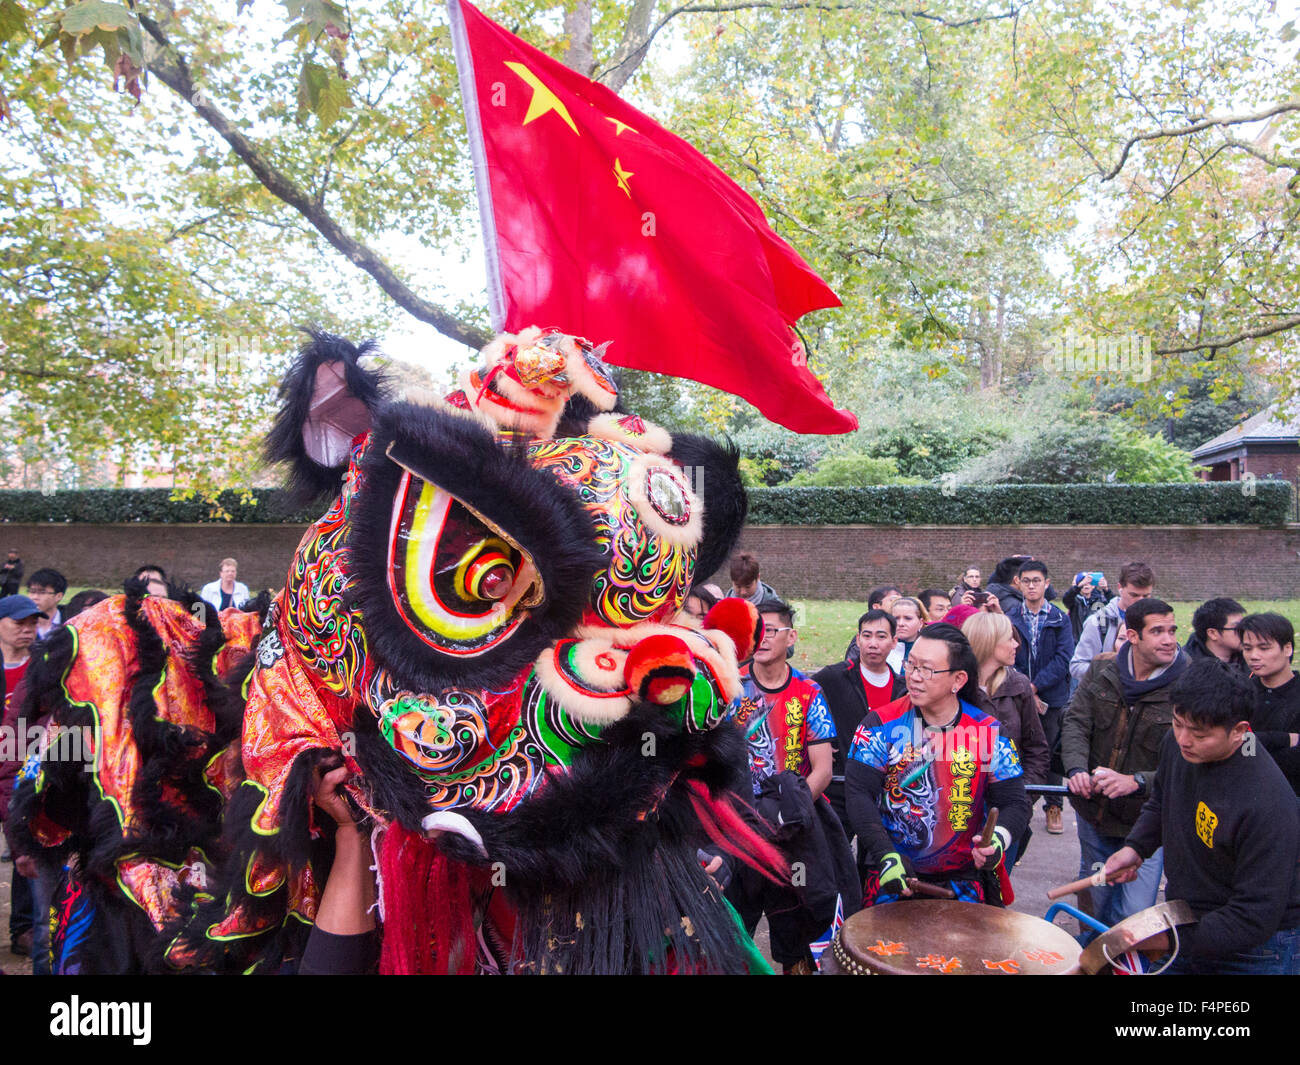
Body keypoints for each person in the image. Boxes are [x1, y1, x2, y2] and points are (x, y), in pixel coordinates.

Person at [1103, 660, 1300, 974]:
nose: (1183, 739)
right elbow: (1161, 801)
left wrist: (1162, 940)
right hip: (1189, 921)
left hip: (1258, 950)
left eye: (1199, 734)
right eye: (1178, 722)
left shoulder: (1268, 804)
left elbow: (1254, 916)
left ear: (1240, 732)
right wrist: (1136, 848)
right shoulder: (1179, 746)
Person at [845, 623, 1029, 906]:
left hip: (963, 882)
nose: (914, 677)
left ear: (958, 680)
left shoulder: (988, 732)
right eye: (911, 666)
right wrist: (884, 854)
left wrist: (998, 840)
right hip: (892, 873)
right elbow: (858, 795)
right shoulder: (880, 725)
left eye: (927, 670)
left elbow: (1015, 802)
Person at [725, 597, 857, 972]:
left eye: (772, 630)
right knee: (731, 927)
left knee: (796, 936)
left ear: (792, 636)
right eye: (756, 632)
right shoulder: (730, 688)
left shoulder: (808, 691)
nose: (763, 638)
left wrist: (788, 812)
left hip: (792, 829)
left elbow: (823, 769)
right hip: (738, 826)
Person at [1061, 597, 1187, 938]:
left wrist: (1138, 781)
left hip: (1148, 824)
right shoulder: (1102, 671)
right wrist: (1076, 770)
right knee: (1094, 905)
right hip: (1095, 816)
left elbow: (1191, 762)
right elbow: (1075, 723)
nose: (1169, 639)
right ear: (1132, 635)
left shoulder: (1187, 684)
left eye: (1172, 630)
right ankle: (1088, 961)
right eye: (1157, 631)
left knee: (1133, 916)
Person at [962, 611, 1050, 864]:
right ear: (988, 642)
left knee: (997, 889)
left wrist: (1022, 799)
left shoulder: (1018, 685)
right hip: (959, 809)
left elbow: (1037, 748)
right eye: (1009, 638)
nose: (1016, 644)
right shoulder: (953, 687)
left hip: (1006, 808)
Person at [813, 609, 906, 834]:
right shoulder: (833, 677)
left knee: (874, 861)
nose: (873, 643)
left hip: (882, 790)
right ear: (857, 639)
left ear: (894, 642)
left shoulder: (903, 688)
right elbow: (806, 704)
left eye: (881, 636)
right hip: (839, 786)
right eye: (867, 635)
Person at [1005, 560, 1074, 834]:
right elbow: (1006, 653)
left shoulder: (1060, 619)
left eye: (1037, 580)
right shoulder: (1010, 617)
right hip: (1017, 694)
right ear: (1018, 583)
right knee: (1019, 747)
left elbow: (1063, 658)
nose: (1032, 585)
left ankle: (1054, 805)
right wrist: (1024, 686)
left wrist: (1035, 686)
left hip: (1051, 696)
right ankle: (1019, 803)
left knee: (1049, 750)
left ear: (1046, 583)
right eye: (1026, 580)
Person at [0, 594, 44, 958]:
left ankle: (25, 926)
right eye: (19, 623)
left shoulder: (43, 667)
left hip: (19, 764)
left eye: (33, 624)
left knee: (26, 844)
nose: (28, 630)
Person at [1240, 612, 1300, 796]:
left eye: (1264, 648)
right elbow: (1233, 745)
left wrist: (1253, 741)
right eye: (1247, 648)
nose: (1254, 656)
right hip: (1247, 796)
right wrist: (1283, 739)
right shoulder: (1239, 692)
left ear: (1287, 648)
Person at [1069, 561, 1154, 681]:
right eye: (1134, 595)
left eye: (1146, 596)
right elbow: (1077, 667)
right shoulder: (1098, 622)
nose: (1140, 602)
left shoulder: (1157, 622)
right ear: (1120, 588)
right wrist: (1112, 675)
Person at [1184, 597, 1245, 668]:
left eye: (1245, 625)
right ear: (1212, 633)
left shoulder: (1252, 659)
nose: (1245, 631)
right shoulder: (1186, 667)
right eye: (1238, 627)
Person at [1061, 571, 1113, 641]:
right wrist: (1078, 587)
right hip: (1077, 642)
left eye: (1089, 583)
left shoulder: (1101, 600)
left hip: (1096, 641)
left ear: (1093, 586)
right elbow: (1066, 599)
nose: (1086, 585)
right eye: (1084, 583)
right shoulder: (1075, 601)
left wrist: (1106, 590)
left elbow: (1114, 606)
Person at [885, 596, 926, 673]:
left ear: (920, 623)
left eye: (908, 618)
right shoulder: (882, 648)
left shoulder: (930, 649)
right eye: (896, 618)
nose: (901, 623)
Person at [25, 567, 68, 638]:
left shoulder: (72, 624)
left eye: (42, 592)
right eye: (32, 592)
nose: (35, 597)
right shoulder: (20, 623)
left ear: (59, 596)